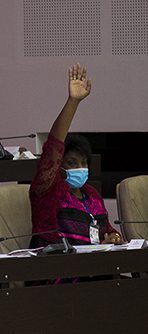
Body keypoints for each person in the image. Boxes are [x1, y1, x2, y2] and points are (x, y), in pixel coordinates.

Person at [29, 64, 123, 249]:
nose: (80, 167)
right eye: (71, 163)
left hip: (93, 268)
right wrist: (73, 102)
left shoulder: (92, 195)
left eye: (83, 163)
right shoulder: (48, 190)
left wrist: (112, 237)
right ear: (58, 167)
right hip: (58, 271)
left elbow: (107, 231)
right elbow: (53, 147)